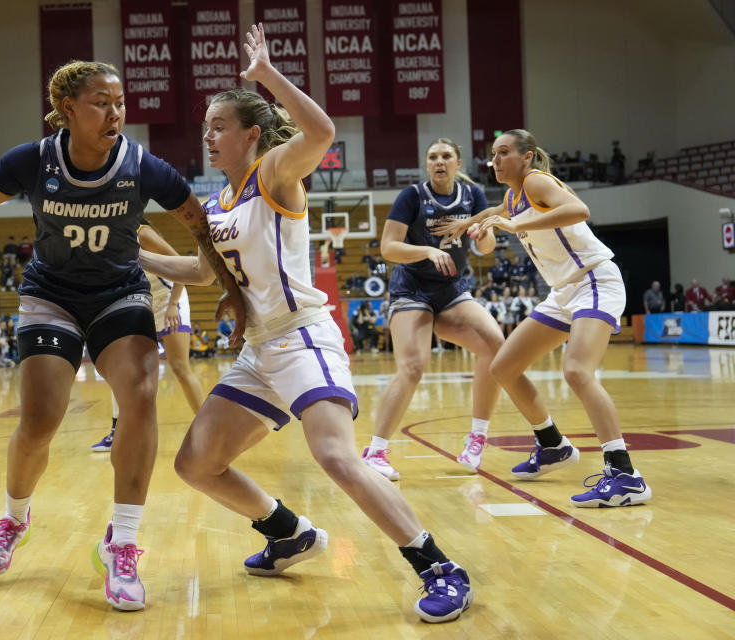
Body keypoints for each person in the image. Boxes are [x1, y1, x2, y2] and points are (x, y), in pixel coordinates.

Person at [0, 58, 245, 611]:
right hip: (51, 295)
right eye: (102, 102)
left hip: (119, 292)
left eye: (120, 102)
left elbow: (197, 220)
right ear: (68, 109)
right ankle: (14, 520)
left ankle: (123, 542)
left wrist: (230, 288)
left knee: (140, 399)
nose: (115, 112)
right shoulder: (33, 160)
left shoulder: (142, 166)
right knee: (40, 419)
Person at [170, 24, 472, 624]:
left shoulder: (276, 173)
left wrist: (266, 75)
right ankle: (287, 533)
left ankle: (439, 565)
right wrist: (127, 254)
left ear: (250, 134)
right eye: (205, 126)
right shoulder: (217, 203)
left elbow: (324, 132)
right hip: (260, 349)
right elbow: (202, 274)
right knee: (195, 463)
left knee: (335, 455)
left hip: (303, 335)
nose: (207, 135)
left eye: (218, 126)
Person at [453, 128, 651, 507]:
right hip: (563, 293)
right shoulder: (513, 196)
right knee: (504, 366)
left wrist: (513, 225)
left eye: (504, 152)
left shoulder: (536, 181)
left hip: (594, 280)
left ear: (526, 157)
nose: (495, 160)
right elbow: (494, 213)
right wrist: (467, 224)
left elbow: (579, 209)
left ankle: (625, 475)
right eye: (493, 154)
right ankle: (552, 445)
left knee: (576, 370)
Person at [362, 137, 543, 482]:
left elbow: (486, 248)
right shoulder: (412, 196)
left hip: (452, 291)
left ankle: (477, 437)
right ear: (427, 164)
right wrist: (426, 251)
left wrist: (481, 234)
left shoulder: (473, 196)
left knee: (495, 348)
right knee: (413, 367)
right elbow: (388, 248)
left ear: (458, 162)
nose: (439, 162)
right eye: (433, 157)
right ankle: (376, 450)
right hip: (412, 290)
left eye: (446, 156)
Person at [91, 222, 211, 452]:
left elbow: (183, 267)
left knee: (179, 366)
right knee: (121, 367)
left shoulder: (142, 233)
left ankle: (209, 429)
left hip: (170, 298)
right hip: (143, 301)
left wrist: (174, 304)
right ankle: (118, 431)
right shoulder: (104, 240)